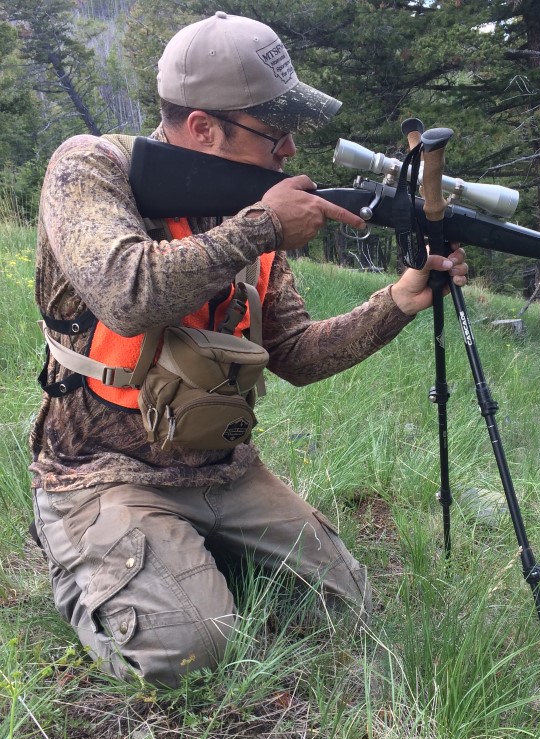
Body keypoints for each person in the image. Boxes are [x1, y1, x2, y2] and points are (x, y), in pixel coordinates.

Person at [30, 11, 467, 688]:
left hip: (221, 467)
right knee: (189, 654)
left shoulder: (248, 208)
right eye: (276, 131)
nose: (290, 150)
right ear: (202, 127)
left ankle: (184, 562)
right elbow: (127, 291)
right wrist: (260, 225)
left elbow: (295, 353)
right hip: (100, 470)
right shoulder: (89, 168)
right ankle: (79, 556)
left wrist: (398, 303)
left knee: (347, 609)